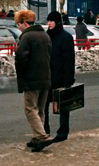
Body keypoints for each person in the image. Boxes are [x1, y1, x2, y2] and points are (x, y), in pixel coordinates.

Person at [14, 10, 53, 152]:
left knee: (30, 108)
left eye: (18, 23)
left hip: (32, 79)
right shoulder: (45, 35)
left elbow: (21, 58)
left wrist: (22, 75)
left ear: (24, 22)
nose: (18, 27)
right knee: (40, 110)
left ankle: (41, 136)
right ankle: (37, 137)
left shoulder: (26, 37)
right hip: (46, 77)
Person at [44, 11, 76, 143]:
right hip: (47, 76)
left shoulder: (65, 37)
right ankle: (44, 130)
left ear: (57, 22)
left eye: (51, 21)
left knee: (63, 106)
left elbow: (69, 60)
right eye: (48, 21)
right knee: (44, 105)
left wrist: (69, 79)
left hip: (61, 76)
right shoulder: (46, 36)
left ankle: (63, 132)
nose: (49, 24)